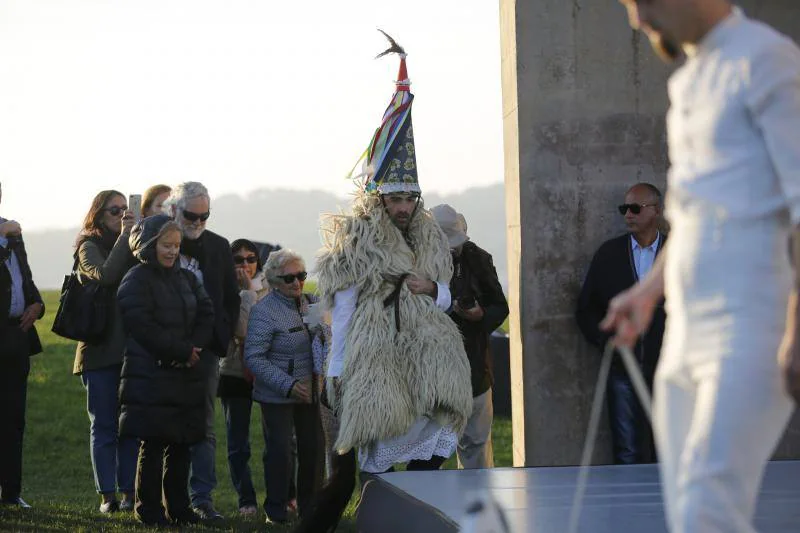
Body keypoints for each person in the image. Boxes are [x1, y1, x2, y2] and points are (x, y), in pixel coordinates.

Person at [605, 2, 800, 531]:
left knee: (708, 509)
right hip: (684, 332)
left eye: (641, 2)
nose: (637, 20)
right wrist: (646, 293)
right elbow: (690, 215)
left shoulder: (767, 59)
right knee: (690, 510)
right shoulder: (687, 82)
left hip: (751, 325)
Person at [294, 35, 472, 533]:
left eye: (409, 198)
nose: (402, 206)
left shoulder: (431, 238)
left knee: (437, 441)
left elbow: (448, 296)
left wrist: (430, 290)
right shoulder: (358, 243)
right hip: (377, 362)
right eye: (394, 198)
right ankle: (376, 522)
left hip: (428, 359)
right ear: (378, 200)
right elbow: (342, 309)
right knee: (373, 454)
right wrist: (336, 372)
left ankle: (410, 521)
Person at [117, 215, 215, 527]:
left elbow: (206, 311)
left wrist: (194, 349)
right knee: (154, 444)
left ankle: (179, 508)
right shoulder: (135, 280)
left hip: (186, 373)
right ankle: (149, 510)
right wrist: (180, 351)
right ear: (149, 245)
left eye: (176, 245)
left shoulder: (186, 278)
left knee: (182, 443)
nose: (173, 251)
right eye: (166, 245)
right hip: (151, 374)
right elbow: (143, 326)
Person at [164, 181, 240, 521]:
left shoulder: (219, 246)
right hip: (163, 349)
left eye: (204, 216)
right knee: (164, 426)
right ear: (173, 211)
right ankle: (166, 501)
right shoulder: (160, 246)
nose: (197, 222)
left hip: (206, 350)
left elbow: (229, 297)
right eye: (191, 215)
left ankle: (203, 499)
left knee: (204, 427)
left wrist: (216, 339)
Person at [576, 183, 667, 465]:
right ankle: (631, 510)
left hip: (671, 370)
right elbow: (586, 309)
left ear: (657, 211)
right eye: (624, 208)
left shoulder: (676, 252)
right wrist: (608, 344)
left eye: (635, 208)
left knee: (671, 450)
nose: (628, 214)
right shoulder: (609, 254)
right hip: (623, 369)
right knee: (627, 452)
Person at [244, 249, 324, 525]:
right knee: (279, 452)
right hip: (277, 394)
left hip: (311, 391)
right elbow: (253, 357)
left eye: (301, 276)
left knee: (313, 450)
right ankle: (276, 510)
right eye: (289, 278)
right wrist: (289, 386)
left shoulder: (313, 303)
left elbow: (327, 340)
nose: (297, 283)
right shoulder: (263, 311)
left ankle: (310, 509)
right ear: (274, 281)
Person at [72, 190, 139, 512]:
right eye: (115, 210)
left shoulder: (134, 244)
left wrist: (133, 236)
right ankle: (107, 496)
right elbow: (107, 276)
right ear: (98, 214)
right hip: (99, 351)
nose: (121, 214)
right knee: (104, 425)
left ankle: (130, 493)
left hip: (131, 350)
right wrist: (126, 236)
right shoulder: (88, 246)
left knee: (129, 425)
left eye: (125, 209)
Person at [431, 204, 509, 469]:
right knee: (429, 453)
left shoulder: (477, 260)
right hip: (432, 375)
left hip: (474, 369)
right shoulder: (415, 263)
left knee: (476, 447)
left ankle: (479, 506)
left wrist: (480, 315)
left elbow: (500, 307)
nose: (451, 250)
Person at [218, 238, 269, 516]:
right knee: (238, 443)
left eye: (251, 259)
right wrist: (247, 294)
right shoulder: (224, 290)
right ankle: (246, 499)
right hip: (233, 371)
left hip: (267, 372)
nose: (246, 264)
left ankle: (285, 496)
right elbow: (241, 330)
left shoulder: (270, 287)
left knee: (278, 440)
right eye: (239, 260)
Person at [0, 182, 43, 509]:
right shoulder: (6, 232)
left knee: (14, 419)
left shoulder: (12, 233)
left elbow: (25, 279)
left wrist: (37, 304)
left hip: (16, 337)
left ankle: (11, 493)